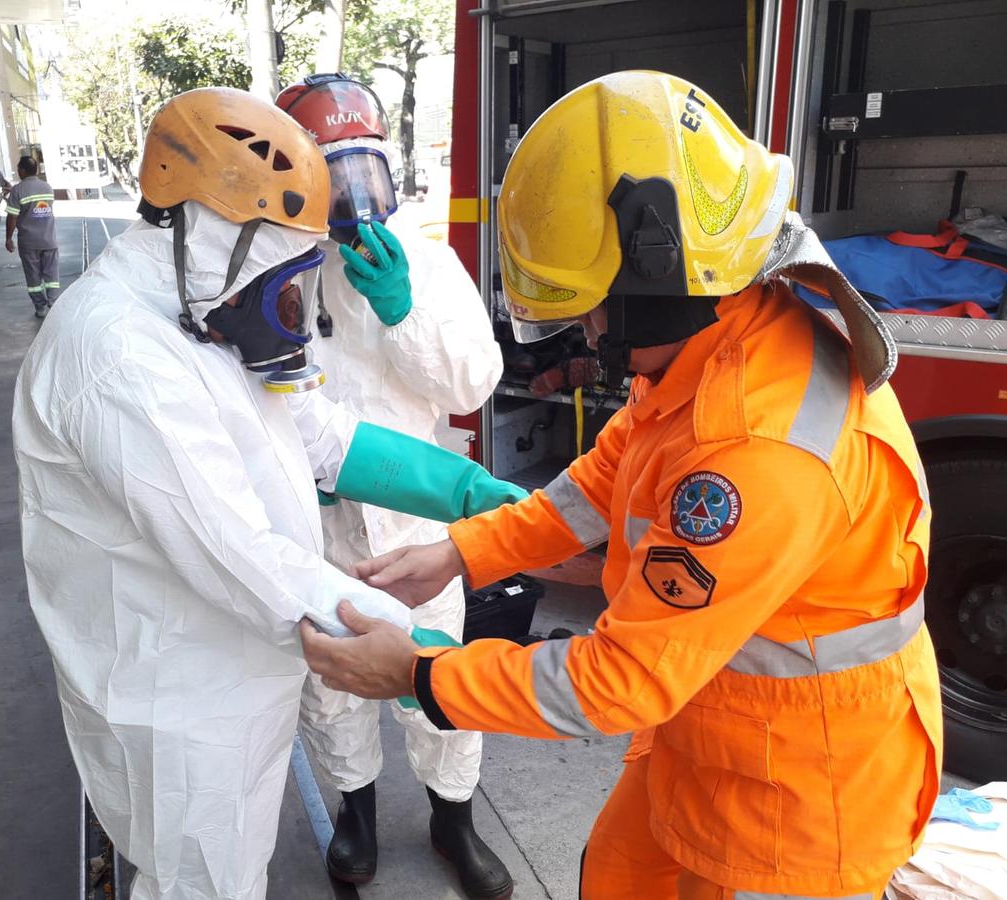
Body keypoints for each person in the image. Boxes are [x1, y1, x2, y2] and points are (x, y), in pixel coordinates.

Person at [301, 71, 944, 900]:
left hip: (794, 801)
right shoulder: (714, 342)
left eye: (593, 306)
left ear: (656, 271)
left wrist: (421, 675)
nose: (589, 330)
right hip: (709, 724)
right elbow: (600, 482)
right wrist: (461, 554)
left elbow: (615, 680)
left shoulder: (753, 452)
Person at [13, 87, 523, 900]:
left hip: (238, 672)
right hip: (181, 707)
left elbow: (321, 432)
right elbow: (244, 560)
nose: (298, 303)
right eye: (287, 278)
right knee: (207, 882)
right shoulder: (119, 358)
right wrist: (449, 664)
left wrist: (477, 497)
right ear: (222, 233)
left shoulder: (200, 305)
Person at [275, 73, 512, 898]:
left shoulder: (432, 260)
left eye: (361, 171)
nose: (350, 198)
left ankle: (454, 822)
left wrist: (406, 310)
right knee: (334, 685)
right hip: (320, 533)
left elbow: (473, 385)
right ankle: (357, 815)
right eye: (329, 174)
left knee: (440, 675)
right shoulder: (283, 268)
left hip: (418, 530)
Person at [4, 155, 59, 318]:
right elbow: (37, 205)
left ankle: (40, 307)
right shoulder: (47, 187)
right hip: (49, 240)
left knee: (33, 276)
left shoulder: (17, 190)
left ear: (21, 170)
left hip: (29, 243)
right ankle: (54, 303)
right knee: (52, 275)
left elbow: (12, 217)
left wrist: (8, 238)